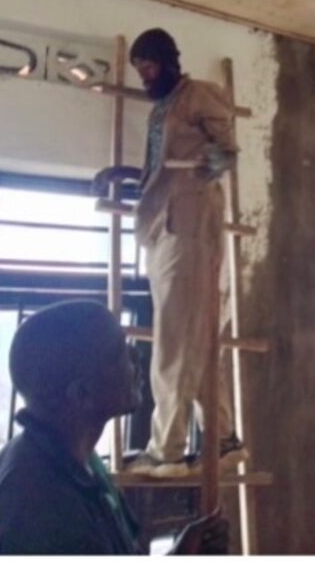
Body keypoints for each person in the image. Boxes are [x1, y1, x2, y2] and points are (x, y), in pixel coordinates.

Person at [92, 28, 246, 478]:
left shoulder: (200, 94)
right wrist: (118, 172)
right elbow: (156, 171)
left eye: (150, 67)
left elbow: (227, 153)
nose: (144, 76)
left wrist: (207, 167)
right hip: (163, 222)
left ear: (169, 61)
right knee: (194, 338)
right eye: (139, 69)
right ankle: (223, 439)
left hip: (189, 223)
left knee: (175, 338)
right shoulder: (164, 108)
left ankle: (168, 449)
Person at [0, 301, 229, 555]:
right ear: (82, 393)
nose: (136, 356)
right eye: (119, 352)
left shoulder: (75, 461)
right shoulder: (46, 515)